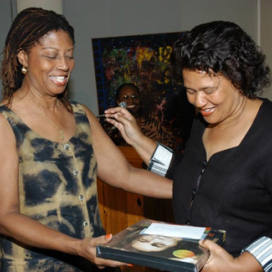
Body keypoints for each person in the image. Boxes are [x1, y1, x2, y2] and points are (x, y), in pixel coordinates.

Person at [0, 7, 172, 272]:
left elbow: (125, 174)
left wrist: (191, 191)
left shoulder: (80, 115)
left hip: (92, 263)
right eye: (51, 55)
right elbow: (5, 216)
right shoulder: (5, 122)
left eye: (69, 55)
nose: (64, 65)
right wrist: (76, 246)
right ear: (22, 57)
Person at [104, 21, 272, 272]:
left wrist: (245, 265)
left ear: (240, 76)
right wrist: (137, 138)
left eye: (208, 90)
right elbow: (187, 172)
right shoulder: (203, 120)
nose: (199, 102)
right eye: (190, 91)